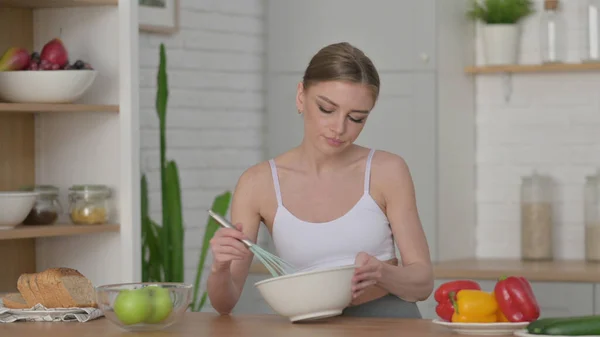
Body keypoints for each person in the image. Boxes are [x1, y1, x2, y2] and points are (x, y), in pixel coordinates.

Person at [206, 42, 434, 318]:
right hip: (306, 326)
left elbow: (422, 283)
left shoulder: (387, 171)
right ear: (301, 96)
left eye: (356, 118)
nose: (339, 128)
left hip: (389, 323)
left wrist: (383, 273)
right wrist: (220, 267)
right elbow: (225, 302)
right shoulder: (258, 184)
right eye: (327, 109)